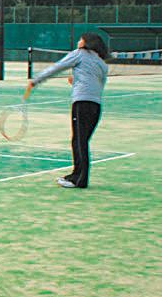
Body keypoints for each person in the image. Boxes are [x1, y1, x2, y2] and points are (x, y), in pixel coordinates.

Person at [26, 32, 110, 189]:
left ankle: (79, 179)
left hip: (82, 104)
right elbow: (97, 83)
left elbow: (58, 67)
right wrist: (77, 81)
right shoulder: (102, 63)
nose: (78, 41)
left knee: (79, 141)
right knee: (81, 140)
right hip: (95, 106)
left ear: (86, 43)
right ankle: (76, 175)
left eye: (81, 39)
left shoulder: (79, 54)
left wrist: (37, 80)